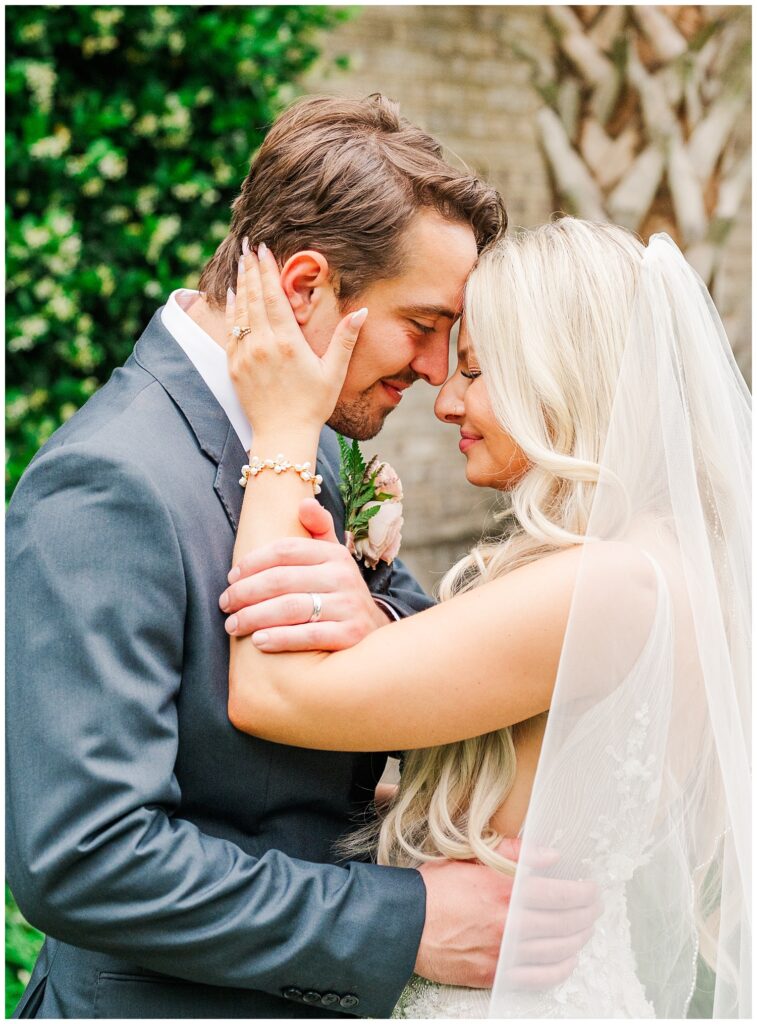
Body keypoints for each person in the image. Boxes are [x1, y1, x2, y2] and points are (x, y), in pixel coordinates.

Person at [6, 94, 596, 1020]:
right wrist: (402, 922)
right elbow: (84, 858)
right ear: (306, 287)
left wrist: (380, 621)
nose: (441, 371)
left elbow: (409, 662)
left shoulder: (312, 444)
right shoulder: (108, 483)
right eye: (424, 324)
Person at [219, 218, 751, 1018]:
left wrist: (286, 430)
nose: (446, 400)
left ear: (560, 373)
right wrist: (382, 640)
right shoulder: (651, 559)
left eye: (474, 369)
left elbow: (271, 695)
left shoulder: (609, 584)